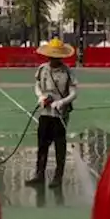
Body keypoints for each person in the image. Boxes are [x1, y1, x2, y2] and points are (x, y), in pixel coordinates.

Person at [27, 37, 78, 188]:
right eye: (51, 55)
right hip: (45, 113)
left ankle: (58, 177)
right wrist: (40, 96)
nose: (53, 58)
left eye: (56, 56)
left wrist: (62, 102)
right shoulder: (42, 69)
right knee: (42, 144)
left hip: (60, 115)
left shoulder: (67, 72)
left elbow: (74, 93)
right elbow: (37, 86)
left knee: (59, 146)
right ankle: (39, 174)